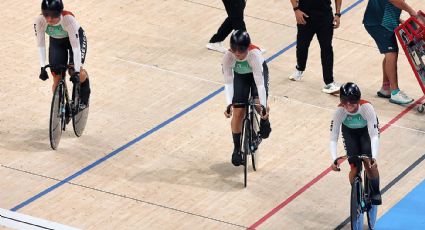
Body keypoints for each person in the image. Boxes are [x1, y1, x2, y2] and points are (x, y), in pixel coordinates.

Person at [223, 30, 271, 166]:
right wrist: (229, 105)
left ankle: (265, 121)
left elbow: (260, 86)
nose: (237, 54)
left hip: (258, 76)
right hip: (241, 77)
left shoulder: (254, 55)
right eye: (234, 50)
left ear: (247, 48)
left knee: (258, 103)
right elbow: (228, 83)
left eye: (241, 51)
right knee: (238, 112)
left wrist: (262, 106)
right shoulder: (227, 57)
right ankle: (236, 148)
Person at [330, 82, 382, 205]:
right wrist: (334, 159)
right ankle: (357, 193)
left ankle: (375, 192)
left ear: (358, 100)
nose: (348, 105)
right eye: (345, 101)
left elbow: (374, 135)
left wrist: (373, 157)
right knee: (354, 167)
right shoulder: (339, 112)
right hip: (350, 133)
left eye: (352, 101)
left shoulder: (367, 108)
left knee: (368, 163)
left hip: (366, 133)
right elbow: (333, 137)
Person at [34, 0, 90, 107]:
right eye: (46, 15)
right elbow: (41, 45)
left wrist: (77, 72)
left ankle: (85, 91)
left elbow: (76, 47)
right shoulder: (39, 21)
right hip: (57, 43)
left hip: (74, 40)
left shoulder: (68, 20)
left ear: (60, 13)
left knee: (72, 71)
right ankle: (59, 107)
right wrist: (42, 67)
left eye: (53, 16)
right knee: (56, 76)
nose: (49, 19)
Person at [363, 0, 418, 104]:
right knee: (391, 53)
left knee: (390, 54)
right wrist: (411, 11)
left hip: (382, 21)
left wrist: (397, 19)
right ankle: (395, 91)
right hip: (379, 22)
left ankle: (386, 88)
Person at [289, 0, 342, 94]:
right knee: (302, 46)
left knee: (327, 48)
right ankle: (300, 68)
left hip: (325, 17)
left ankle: (329, 82)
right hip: (305, 16)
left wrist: (337, 14)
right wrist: (296, 10)